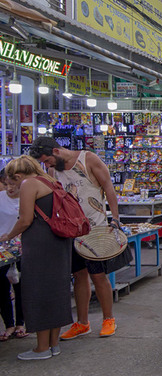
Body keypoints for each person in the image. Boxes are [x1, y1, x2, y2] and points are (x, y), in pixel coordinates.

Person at [29, 136, 122, 339]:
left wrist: (115, 219)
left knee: (98, 276)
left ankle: (109, 319)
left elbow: (108, 188)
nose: (46, 165)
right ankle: (82, 323)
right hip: (70, 231)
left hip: (94, 230)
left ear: (55, 151)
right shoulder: (53, 171)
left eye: (46, 160)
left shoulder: (89, 159)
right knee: (79, 276)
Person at [0, 156, 73, 360]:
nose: (11, 186)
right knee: (56, 291)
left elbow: (25, 219)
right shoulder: (49, 181)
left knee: (38, 292)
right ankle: (53, 345)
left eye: (12, 181)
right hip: (58, 241)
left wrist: (8, 235)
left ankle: (41, 348)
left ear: (18, 175)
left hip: (40, 243)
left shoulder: (29, 184)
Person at [0, 168, 26, 341]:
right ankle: (8, 324)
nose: (9, 188)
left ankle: (21, 323)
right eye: (6, 184)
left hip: (22, 248)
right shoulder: (1, 198)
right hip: (2, 248)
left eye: (12, 184)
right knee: (2, 286)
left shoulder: (28, 198)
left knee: (22, 288)